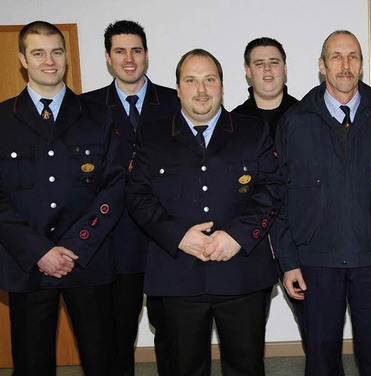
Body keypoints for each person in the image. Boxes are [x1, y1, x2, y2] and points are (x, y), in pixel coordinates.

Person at [125, 48, 284, 376]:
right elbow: (137, 195)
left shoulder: (253, 131)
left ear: (223, 87)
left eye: (210, 80)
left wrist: (237, 236)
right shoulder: (152, 136)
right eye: (191, 81)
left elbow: (273, 188)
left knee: (246, 366)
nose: (201, 90)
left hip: (241, 273)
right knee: (184, 367)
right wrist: (179, 236)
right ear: (178, 89)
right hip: (177, 274)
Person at [272, 30, 371, 375]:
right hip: (315, 263)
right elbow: (279, 197)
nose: (345, 65)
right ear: (322, 66)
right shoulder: (295, 122)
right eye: (336, 56)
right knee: (321, 360)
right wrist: (289, 261)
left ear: (363, 65)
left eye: (353, 56)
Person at [0, 21, 124, 375]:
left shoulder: (98, 117)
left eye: (56, 51)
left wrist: (77, 244)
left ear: (66, 56)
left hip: (88, 260)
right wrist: (39, 251)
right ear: (22, 58)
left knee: (102, 361)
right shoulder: (2, 120)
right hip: (28, 263)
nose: (49, 61)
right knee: (32, 363)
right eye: (38, 53)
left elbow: (114, 187)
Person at [82, 20, 179, 376]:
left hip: (166, 242)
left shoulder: (174, 100)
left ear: (147, 55)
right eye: (120, 51)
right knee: (117, 338)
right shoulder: (88, 107)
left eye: (136, 50)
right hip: (114, 242)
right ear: (108, 58)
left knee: (172, 334)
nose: (129, 58)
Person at [232, 37, 298, 140]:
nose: (267, 68)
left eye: (274, 62)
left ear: (284, 69)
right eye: (259, 63)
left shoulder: (305, 116)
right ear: (248, 71)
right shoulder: (233, 122)